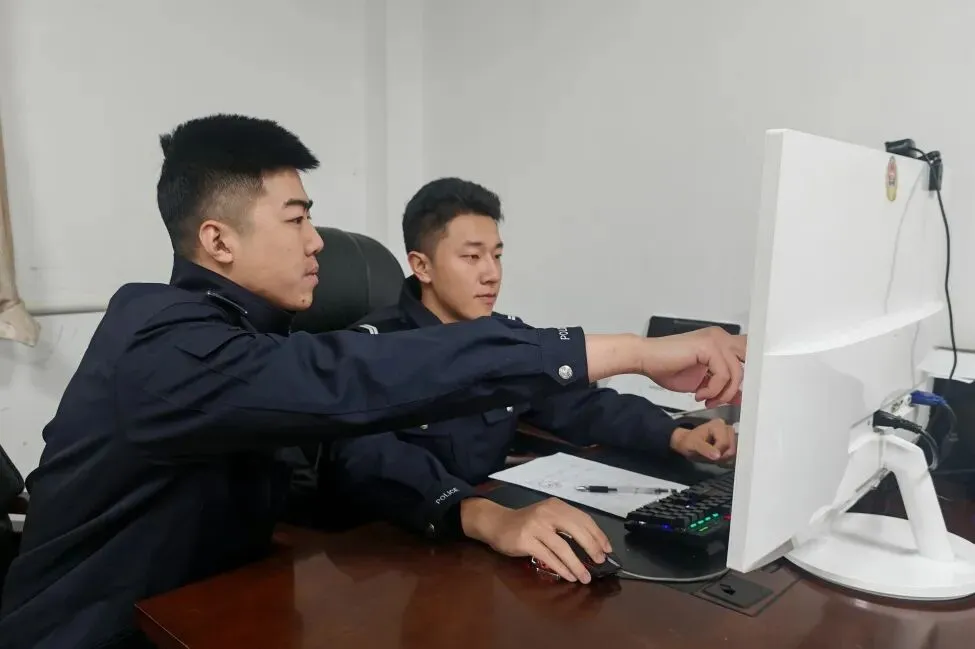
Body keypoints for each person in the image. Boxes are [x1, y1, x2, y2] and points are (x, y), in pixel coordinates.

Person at [0, 115, 744, 649]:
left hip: (209, 613)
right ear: (218, 239)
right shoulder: (160, 339)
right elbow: (347, 384)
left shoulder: (249, 337)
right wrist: (634, 350)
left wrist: (666, 428)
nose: (316, 242)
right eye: (296, 219)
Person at [331, 177, 741, 585]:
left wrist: (675, 435)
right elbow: (368, 457)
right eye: (472, 257)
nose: (492, 274)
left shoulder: (502, 338)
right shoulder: (376, 349)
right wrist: (476, 512)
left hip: (490, 543)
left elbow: (578, 403)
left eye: (497, 255)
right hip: (396, 553)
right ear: (422, 266)